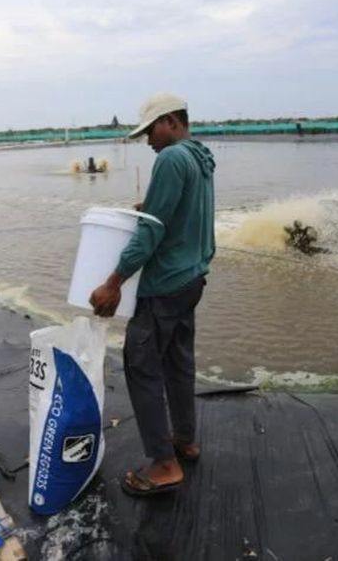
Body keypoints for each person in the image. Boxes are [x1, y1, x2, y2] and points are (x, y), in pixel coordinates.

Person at [89, 93, 216, 496]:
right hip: (192, 279)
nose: (148, 141)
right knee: (178, 362)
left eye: (151, 131)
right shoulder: (200, 156)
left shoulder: (171, 158)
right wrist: (152, 204)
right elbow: (188, 209)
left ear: (171, 121)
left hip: (165, 284)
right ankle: (185, 440)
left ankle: (164, 464)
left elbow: (151, 231)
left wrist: (114, 282)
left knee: (141, 364)